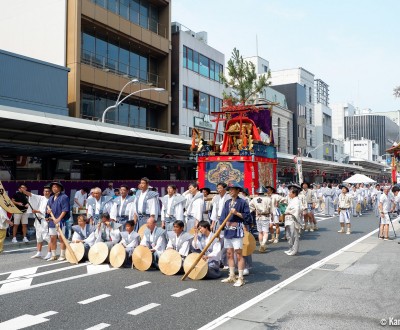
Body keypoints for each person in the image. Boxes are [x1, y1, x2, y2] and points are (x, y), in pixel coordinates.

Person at [219, 182, 251, 287]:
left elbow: (247, 217)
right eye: (230, 189)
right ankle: (231, 275)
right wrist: (220, 226)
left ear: (238, 191)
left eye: (233, 189)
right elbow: (223, 216)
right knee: (229, 253)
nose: (231, 191)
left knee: (238, 254)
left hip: (237, 230)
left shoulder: (242, 202)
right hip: (228, 229)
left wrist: (236, 213)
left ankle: (241, 277)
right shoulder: (227, 202)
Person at [22, 185, 52, 259]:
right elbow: (31, 195)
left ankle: (50, 253)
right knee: (39, 237)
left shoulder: (52, 200)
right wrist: (24, 191)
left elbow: (48, 211)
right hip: (38, 219)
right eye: (45, 191)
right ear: (43, 192)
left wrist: (37, 211)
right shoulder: (41, 197)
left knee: (47, 237)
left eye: (48, 191)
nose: (46, 192)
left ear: (50, 192)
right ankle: (39, 252)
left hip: (45, 220)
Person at [46, 181, 70, 261]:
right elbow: (48, 208)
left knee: (61, 238)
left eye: (55, 187)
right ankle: (53, 255)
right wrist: (47, 214)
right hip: (52, 221)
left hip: (61, 220)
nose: (54, 188)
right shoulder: (51, 198)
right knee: (52, 238)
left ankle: (62, 255)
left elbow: (65, 210)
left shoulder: (64, 197)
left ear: (60, 188)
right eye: (53, 187)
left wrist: (59, 219)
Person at [249, 186, 271, 252]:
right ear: (264, 192)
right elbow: (271, 208)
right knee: (266, 232)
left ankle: (261, 244)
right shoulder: (268, 199)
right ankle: (263, 244)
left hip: (258, 217)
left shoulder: (254, 199)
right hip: (265, 216)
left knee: (260, 232)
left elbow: (250, 207)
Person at [284, 184, 302, 256]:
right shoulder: (292, 200)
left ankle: (295, 250)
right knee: (289, 235)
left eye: (290, 192)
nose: (289, 194)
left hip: (293, 219)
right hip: (288, 219)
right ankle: (290, 248)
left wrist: (289, 212)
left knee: (294, 235)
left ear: (294, 193)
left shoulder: (297, 200)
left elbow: (297, 210)